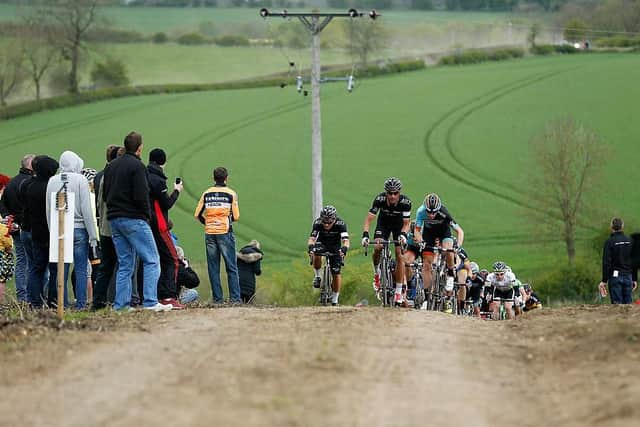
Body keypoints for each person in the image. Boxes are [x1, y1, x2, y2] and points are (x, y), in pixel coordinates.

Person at [103, 132, 170, 312]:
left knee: (125, 264)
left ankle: (121, 306)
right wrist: (146, 216)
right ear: (140, 148)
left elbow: (104, 195)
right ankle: (150, 302)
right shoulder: (138, 166)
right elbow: (142, 195)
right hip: (134, 219)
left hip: (114, 219)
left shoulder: (111, 166)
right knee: (152, 259)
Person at [46, 151, 99, 310]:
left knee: (62, 269)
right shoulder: (80, 179)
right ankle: (81, 304)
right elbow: (86, 210)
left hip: (59, 228)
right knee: (81, 268)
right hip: (79, 229)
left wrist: (52, 231)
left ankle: (62, 303)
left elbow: (49, 209)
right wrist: (92, 235)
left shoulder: (52, 181)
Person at [194, 166, 241, 304]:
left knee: (213, 267)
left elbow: (197, 215)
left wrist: (208, 223)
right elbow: (236, 216)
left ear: (213, 178)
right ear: (226, 178)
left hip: (210, 232)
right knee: (231, 266)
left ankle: (218, 299)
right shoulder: (231, 194)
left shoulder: (206, 193)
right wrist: (225, 221)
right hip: (225, 232)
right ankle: (235, 299)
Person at [361, 177, 411, 304]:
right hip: (383, 224)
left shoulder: (405, 202)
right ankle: (377, 273)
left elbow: (406, 223)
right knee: (378, 247)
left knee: (400, 255)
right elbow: (368, 219)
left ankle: (398, 292)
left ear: (399, 192)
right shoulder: (380, 199)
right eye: (390, 193)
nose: (392, 196)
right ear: (386, 192)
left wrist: (404, 235)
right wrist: (365, 235)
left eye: (395, 193)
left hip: (399, 226)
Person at [414, 193, 464, 312]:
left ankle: (451, 274)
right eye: (429, 212)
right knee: (426, 264)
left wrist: (458, 246)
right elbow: (416, 230)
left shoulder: (444, 212)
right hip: (429, 234)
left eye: (434, 212)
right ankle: (426, 299)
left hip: (444, 233)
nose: (431, 215)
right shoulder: (421, 211)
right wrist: (421, 241)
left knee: (449, 251)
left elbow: (460, 231)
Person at [147, 148, 184, 309]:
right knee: (172, 259)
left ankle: (153, 296)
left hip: (146, 224)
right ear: (163, 162)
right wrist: (177, 191)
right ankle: (168, 296)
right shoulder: (158, 180)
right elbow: (166, 203)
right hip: (160, 225)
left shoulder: (143, 175)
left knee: (153, 260)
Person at [24, 156, 60, 308]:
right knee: (54, 270)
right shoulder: (52, 187)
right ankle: (52, 302)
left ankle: (35, 302)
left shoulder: (29, 186)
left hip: (36, 233)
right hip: (52, 233)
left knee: (36, 268)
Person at [1, 154, 34, 302]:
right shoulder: (31, 182)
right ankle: (36, 295)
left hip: (15, 228)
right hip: (30, 228)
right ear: (31, 166)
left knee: (21, 261)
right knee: (36, 262)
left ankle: (22, 297)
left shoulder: (11, 183)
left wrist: (8, 217)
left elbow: (2, 204)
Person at [92, 145, 119, 309]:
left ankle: (98, 301)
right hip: (115, 226)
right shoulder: (114, 176)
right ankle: (116, 299)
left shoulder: (99, 176)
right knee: (123, 265)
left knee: (105, 266)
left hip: (102, 225)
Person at [308, 206, 349, 306]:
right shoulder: (317, 223)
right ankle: (318, 275)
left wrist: (344, 249)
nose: (326, 224)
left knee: (336, 272)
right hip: (322, 243)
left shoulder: (341, 224)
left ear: (334, 219)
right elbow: (312, 239)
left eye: (329, 222)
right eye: (324, 221)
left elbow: (346, 240)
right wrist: (310, 248)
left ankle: (335, 299)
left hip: (335, 246)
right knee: (316, 253)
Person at [598, 217, 636, 304]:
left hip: (615, 278)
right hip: (628, 277)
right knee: (628, 307)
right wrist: (634, 278)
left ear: (611, 227)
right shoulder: (630, 241)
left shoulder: (609, 242)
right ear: (622, 226)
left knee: (616, 307)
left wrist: (604, 280)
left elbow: (606, 262)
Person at [237, 239, 263, 304]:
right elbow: (257, 271)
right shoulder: (257, 255)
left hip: (238, 281)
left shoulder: (239, 254)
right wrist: (260, 271)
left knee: (238, 303)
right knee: (248, 303)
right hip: (249, 284)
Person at [0, 214, 14, 303]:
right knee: (1, 280)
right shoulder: (1, 226)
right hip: (1, 253)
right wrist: (10, 247)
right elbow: (7, 242)